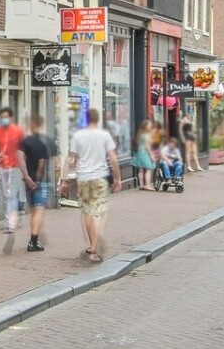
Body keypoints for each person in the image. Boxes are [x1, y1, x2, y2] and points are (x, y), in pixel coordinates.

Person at [68, 110, 122, 263]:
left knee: (87, 211)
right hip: (99, 178)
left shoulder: (78, 136)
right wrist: (118, 178)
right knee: (97, 213)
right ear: (98, 120)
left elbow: (71, 159)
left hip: (83, 178)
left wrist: (65, 180)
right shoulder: (104, 136)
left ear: (86, 119)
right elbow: (113, 158)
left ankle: (91, 245)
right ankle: (93, 250)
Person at [19, 113, 58, 253]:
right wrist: (38, 181)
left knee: (34, 211)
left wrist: (26, 176)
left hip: (29, 182)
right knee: (39, 210)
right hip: (42, 182)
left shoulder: (25, 141)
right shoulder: (48, 141)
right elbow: (51, 163)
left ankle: (34, 237)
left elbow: (20, 157)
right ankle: (33, 241)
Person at [0, 108, 26, 241]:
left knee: (10, 195)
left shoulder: (18, 131)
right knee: (5, 195)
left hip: (14, 166)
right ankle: (10, 220)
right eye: (2, 117)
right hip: (2, 166)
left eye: (6, 117)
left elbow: (24, 148)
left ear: (11, 118)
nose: (4, 119)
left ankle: (11, 224)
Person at [130, 121, 157, 190]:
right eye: (149, 125)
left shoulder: (140, 134)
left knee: (141, 169)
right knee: (148, 169)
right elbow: (148, 146)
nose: (151, 126)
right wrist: (151, 155)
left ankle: (141, 185)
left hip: (139, 153)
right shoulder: (147, 135)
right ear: (146, 126)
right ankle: (147, 185)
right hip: (145, 153)